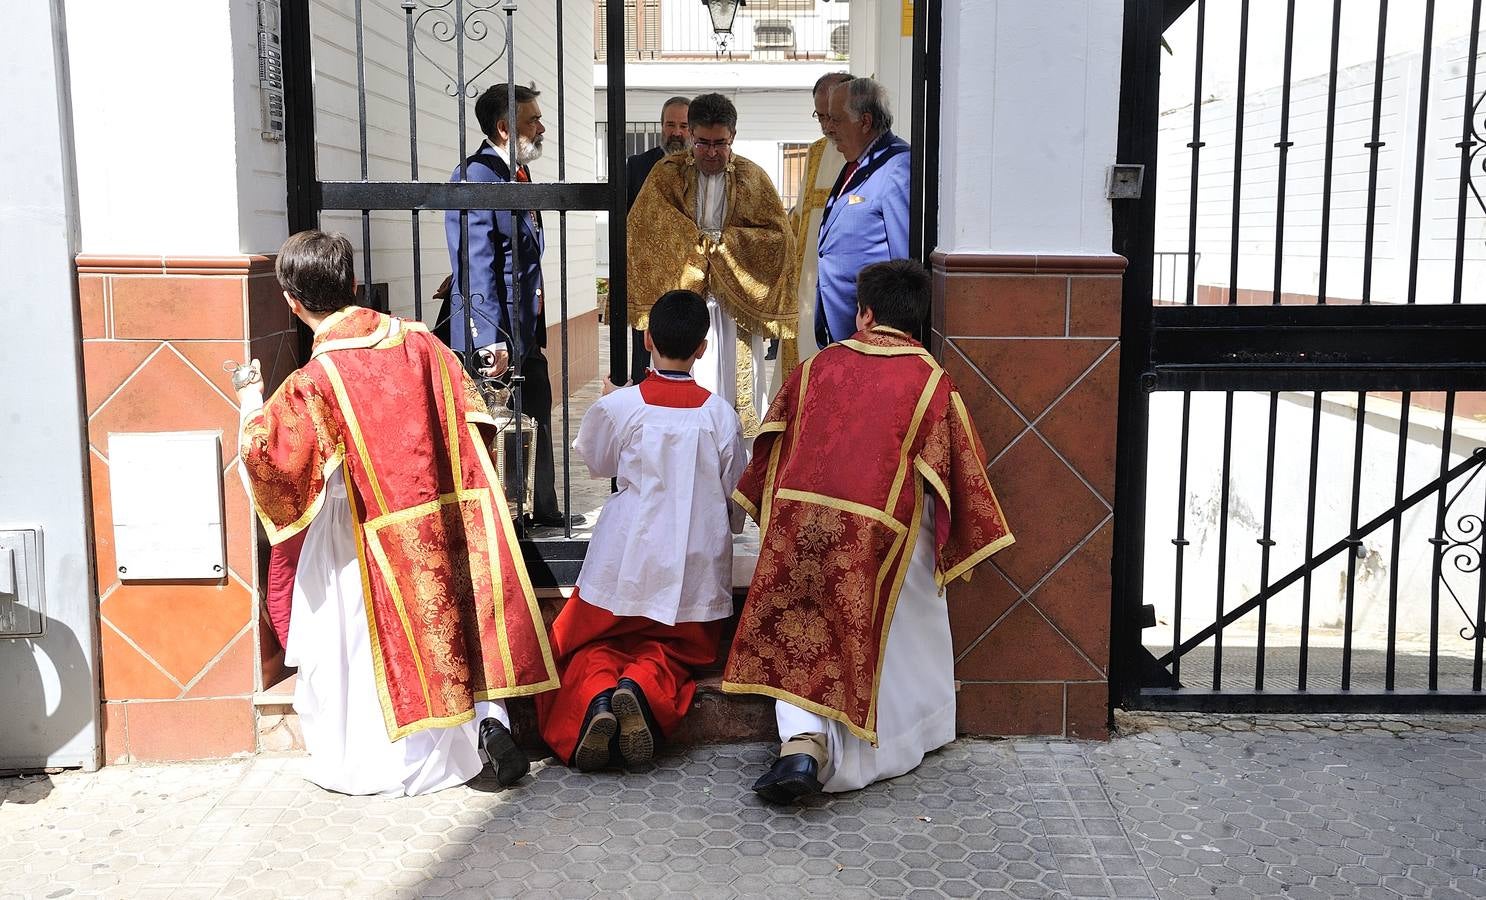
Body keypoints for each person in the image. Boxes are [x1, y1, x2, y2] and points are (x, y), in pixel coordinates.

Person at [237, 230, 559, 797]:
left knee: (365, 647)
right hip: (439, 517)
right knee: (451, 629)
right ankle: (486, 726)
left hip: (356, 537)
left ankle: (379, 762)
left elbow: (273, 467)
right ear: (356, 284)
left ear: (291, 301)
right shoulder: (420, 343)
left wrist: (248, 408)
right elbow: (475, 417)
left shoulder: (311, 384)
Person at [723, 260, 1015, 804]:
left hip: (798, 526)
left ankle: (802, 744)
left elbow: (769, 442)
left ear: (864, 313)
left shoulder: (816, 365)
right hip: (877, 536)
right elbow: (959, 479)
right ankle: (888, 741)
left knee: (798, 631)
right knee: (902, 594)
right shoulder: (933, 381)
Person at [535, 290, 746, 771]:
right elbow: (734, 490)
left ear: (647, 339)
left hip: (624, 563)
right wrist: (725, 530)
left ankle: (597, 698)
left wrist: (613, 402)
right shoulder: (720, 416)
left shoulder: (621, 407)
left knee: (588, 647)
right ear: (703, 348)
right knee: (673, 652)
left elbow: (597, 461)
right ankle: (639, 688)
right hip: (692, 570)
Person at [444, 83, 575, 529]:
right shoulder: (476, 176)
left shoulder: (515, 173)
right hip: (494, 331)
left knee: (536, 407)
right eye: (531, 120)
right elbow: (475, 265)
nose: (541, 128)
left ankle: (544, 509)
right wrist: (489, 340)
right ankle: (505, 519)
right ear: (504, 128)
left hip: (523, 327)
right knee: (499, 426)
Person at [627, 92, 797, 436]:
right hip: (685, 304)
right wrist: (698, 246)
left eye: (720, 143)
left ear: (732, 136)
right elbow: (645, 229)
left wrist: (723, 247)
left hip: (735, 307)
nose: (711, 152)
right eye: (702, 142)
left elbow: (779, 239)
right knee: (681, 406)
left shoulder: (754, 178)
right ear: (690, 134)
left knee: (734, 400)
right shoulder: (666, 174)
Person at [815, 77, 912, 348]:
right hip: (846, 327)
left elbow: (903, 259)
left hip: (874, 333)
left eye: (836, 120)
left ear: (865, 122)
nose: (828, 129)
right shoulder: (855, 161)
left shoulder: (897, 167)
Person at [622, 96, 691, 387]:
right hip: (647, 275)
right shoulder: (637, 165)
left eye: (684, 125)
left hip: (689, 274)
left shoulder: (700, 167)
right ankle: (641, 389)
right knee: (643, 346)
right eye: (670, 124)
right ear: (661, 126)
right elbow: (624, 219)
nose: (676, 132)